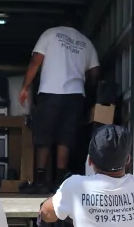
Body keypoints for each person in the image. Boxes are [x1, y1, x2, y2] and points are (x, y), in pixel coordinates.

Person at [19, 20, 100, 193]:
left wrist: (25, 87)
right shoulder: (86, 42)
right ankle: (60, 184)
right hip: (76, 96)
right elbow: (94, 74)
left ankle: (40, 183)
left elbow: (35, 61)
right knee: (65, 139)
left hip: (51, 92)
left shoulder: (50, 34)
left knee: (44, 138)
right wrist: (90, 99)